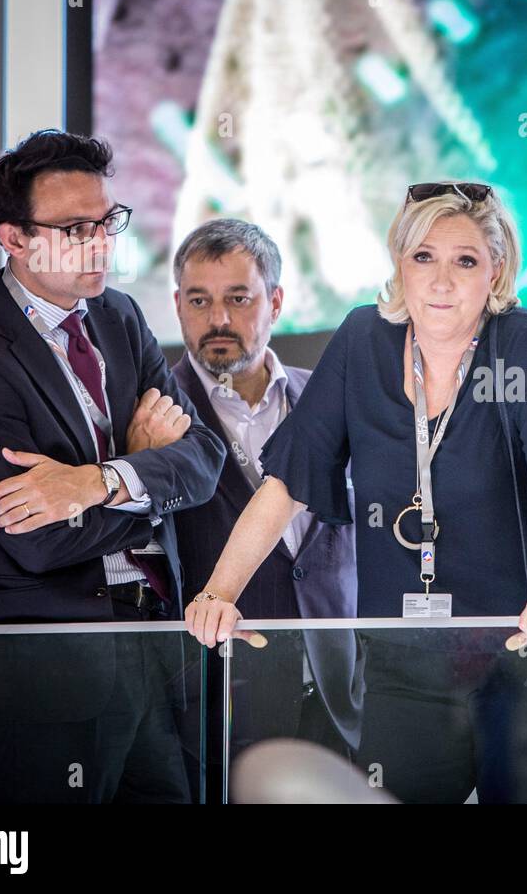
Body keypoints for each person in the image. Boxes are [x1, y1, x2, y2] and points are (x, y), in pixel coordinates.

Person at [185, 182, 527, 804]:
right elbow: (288, 482)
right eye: (423, 257)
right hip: (405, 662)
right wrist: (219, 593)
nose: (441, 280)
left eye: (465, 260)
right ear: (399, 264)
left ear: (495, 270)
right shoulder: (365, 339)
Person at [0, 129, 225, 802]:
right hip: (48, 673)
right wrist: (146, 468)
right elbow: (39, 541)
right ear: (14, 238)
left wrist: (98, 480)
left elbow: (203, 462)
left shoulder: (119, 317)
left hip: (155, 641)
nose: (100, 242)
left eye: (107, 220)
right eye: (73, 227)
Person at [170, 218, 363, 796]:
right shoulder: (153, 417)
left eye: (238, 298)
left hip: (339, 696)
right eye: (199, 301)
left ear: (275, 301)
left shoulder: (333, 402)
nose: (218, 320)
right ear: (177, 304)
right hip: (217, 700)